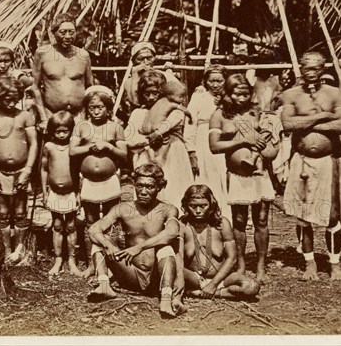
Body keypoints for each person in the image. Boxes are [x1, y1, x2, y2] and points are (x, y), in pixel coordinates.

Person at [280, 51, 341, 281]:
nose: (311, 73)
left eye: (315, 68)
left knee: (330, 214)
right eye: (306, 68)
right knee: (303, 214)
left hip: (327, 162)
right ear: (300, 68)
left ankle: (335, 265)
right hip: (301, 161)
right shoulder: (290, 95)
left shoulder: (333, 93)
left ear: (323, 69)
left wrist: (308, 125)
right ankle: (309, 264)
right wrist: (322, 117)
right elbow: (288, 123)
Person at [87, 163, 185, 319]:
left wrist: (139, 247)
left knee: (165, 248)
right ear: (134, 185)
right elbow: (94, 229)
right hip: (130, 273)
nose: (143, 191)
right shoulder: (123, 208)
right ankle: (104, 285)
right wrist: (108, 245)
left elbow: (172, 232)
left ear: (159, 187)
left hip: (156, 277)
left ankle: (166, 298)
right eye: (139, 186)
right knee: (100, 239)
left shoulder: (168, 209)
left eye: (150, 187)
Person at [209, 73, 280, 283]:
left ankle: (260, 266)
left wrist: (261, 143)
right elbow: (214, 146)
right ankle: (240, 264)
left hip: (260, 173)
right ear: (228, 94)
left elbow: (269, 137)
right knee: (239, 220)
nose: (241, 97)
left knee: (261, 220)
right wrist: (241, 141)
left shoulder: (255, 112)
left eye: (245, 93)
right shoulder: (219, 115)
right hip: (238, 175)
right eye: (236, 93)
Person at [70, 85, 127, 278]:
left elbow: (124, 154)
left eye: (100, 107)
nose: (96, 111)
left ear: (108, 107)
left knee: (111, 220)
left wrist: (108, 147)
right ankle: (92, 262)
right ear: (87, 108)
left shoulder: (115, 127)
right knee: (91, 221)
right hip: (89, 182)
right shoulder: (81, 126)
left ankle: (111, 263)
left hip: (110, 180)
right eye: (92, 107)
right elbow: (72, 151)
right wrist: (91, 147)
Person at [0, 76, 38, 265]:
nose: (10, 102)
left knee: (19, 211)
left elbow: (34, 145)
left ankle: (20, 249)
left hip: (21, 170)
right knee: (2, 212)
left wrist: (28, 170)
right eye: (6, 98)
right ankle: (6, 250)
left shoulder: (24, 116)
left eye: (15, 98)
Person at [180, 185, 260, 299]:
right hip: (194, 279)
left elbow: (232, 258)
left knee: (252, 287)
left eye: (203, 206)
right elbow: (177, 259)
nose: (198, 211)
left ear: (211, 205)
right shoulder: (182, 225)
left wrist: (213, 285)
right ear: (186, 206)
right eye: (193, 206)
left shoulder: (222, 224)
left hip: (222, 279)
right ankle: (213, 292)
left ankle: (198, 293)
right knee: (172, 268)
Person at [127, 70, 194, 206]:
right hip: (146, 155)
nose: (151, 97)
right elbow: (129, 139)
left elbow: (178, 122)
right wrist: (148, 140)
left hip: (173, 154)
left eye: (155, 93)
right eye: (147, 93)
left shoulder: (172, 109)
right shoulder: (138, 113)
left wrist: (158, 133)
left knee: (174, 190)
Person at [31, 13, 93, 130]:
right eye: (63, 32)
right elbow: (35, 87)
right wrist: (43, 118)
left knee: (80, 147)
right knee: (52, 147)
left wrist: (88, 115)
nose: (68, 36)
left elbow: (90, 87)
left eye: (71, 32)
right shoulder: (42, 53)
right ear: (54, 33)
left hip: (79, 115)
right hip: (52, 114)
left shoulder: (83, 55)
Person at [41, 111, 81, 276]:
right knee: (57, 225)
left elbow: (79, 171)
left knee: (71, 226)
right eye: (58, 131)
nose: (62, 134)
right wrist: (44, 192)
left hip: (71, 192)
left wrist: (78, 193)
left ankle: (72, 260)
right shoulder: (49, 147)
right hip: (55, 192)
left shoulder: (74, 148)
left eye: (66, 131)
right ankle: (58, 260)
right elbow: (44, 170)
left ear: (71, 130)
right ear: (52, 131)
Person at [184, 65, 228, 211]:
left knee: (226, 173)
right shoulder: (199, 98)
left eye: (219, 81)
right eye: (211, 81)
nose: (215, 85)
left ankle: (228, 213)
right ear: (205, 81)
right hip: (203, 142)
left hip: (225, 140)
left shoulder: (230, 99)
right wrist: (191, 152)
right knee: (209, 176)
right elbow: (190, 125)